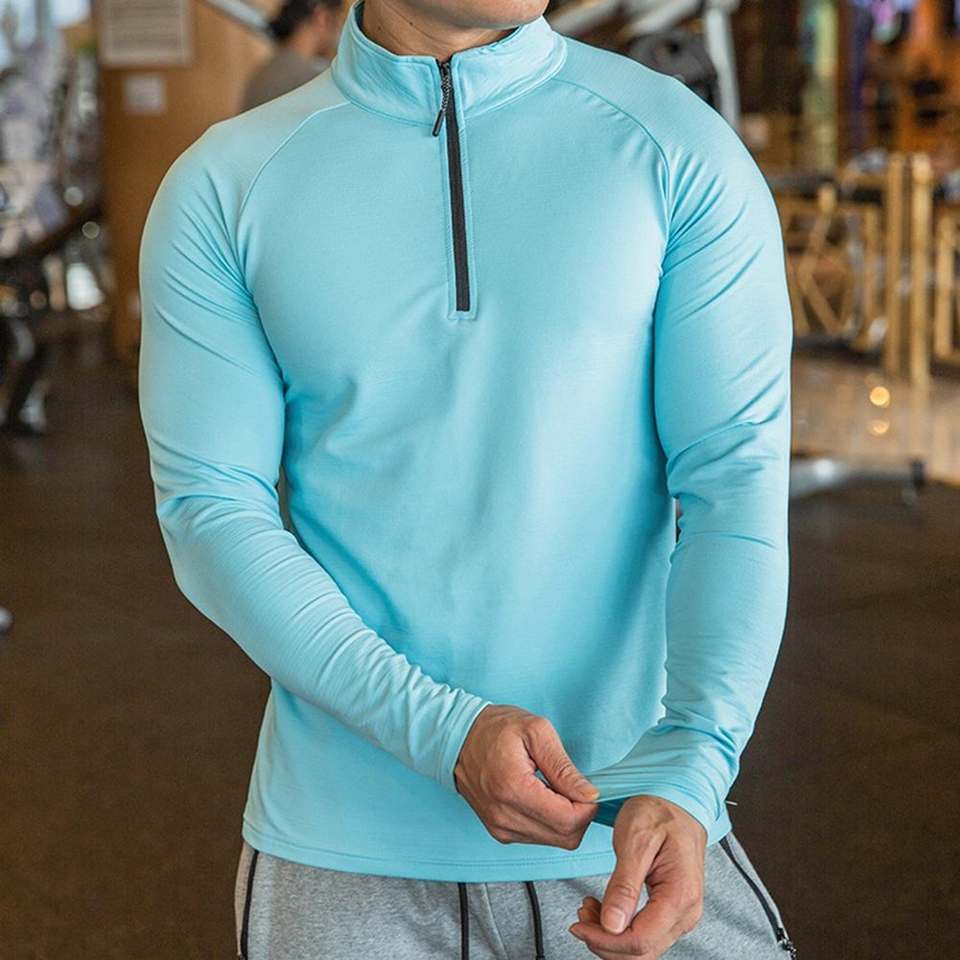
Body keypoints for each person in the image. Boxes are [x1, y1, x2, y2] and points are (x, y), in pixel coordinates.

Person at [137, 0, 797, 957]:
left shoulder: (674, 147)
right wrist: (441, 732)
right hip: (344, 852)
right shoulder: (226, 182)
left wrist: (695, 756)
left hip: (633, 833)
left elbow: (734, 477)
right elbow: (212, 509)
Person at [240, 0, 345, 112]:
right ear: (322, 18)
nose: (338, 33)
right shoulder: (311, 79)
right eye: (338, 21)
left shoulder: (262, 74)